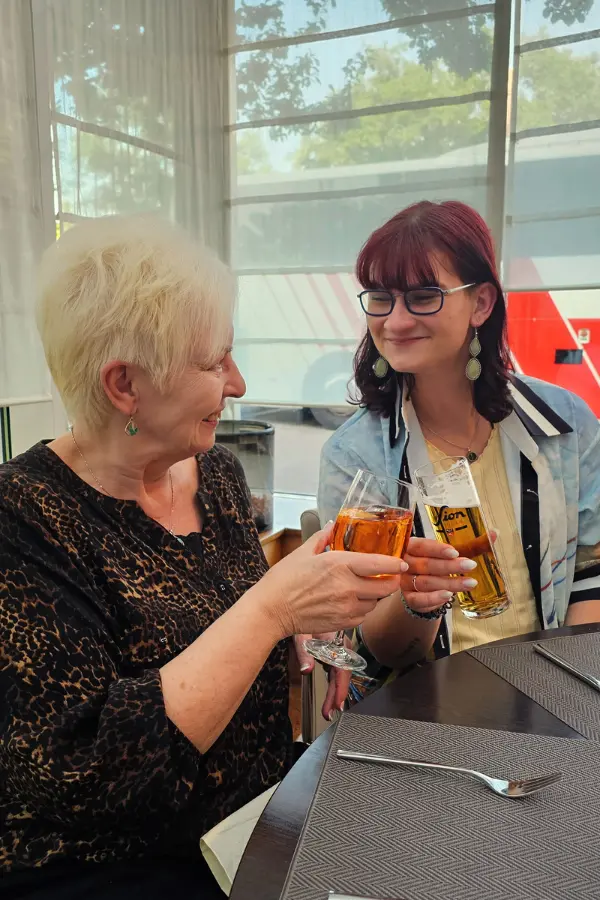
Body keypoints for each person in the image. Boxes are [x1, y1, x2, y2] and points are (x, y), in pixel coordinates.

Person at [0, 215, 468, 899]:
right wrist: (274, 608)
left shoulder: (214, 474)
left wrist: (317, 628)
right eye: (214, 361)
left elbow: (222, 617)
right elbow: (93, 776)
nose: (239, 381)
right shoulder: (24, 519)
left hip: (253, 818)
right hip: (117, 865)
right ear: (125, 385)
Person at [319, 200, 600, 678]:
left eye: (423, 296)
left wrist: (564, 687)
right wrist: (418, 603)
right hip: (426, 708)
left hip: (555, 686)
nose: (397, 320)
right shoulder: (354, 456)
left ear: (482, 303)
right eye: (381, 297)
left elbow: (592, 570)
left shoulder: (564, 425)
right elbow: (372, 645)